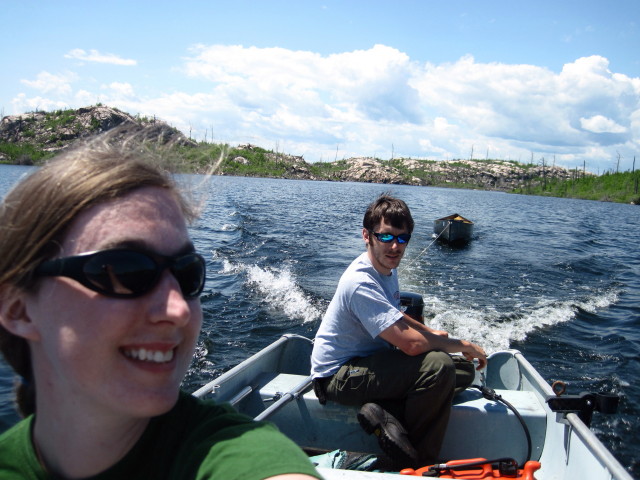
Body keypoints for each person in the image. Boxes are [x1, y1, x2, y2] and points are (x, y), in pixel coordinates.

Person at [0, 128, 320, 480]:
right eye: (123, 270)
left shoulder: (226, 448)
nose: (179, 310)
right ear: (18, 309)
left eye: (188, 275)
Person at [310, 194, 487, 469]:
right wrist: (461, 343)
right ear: (367, 236)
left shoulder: (386, 269)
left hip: (368, 365)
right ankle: (418, 461)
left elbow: (397, 316)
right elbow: (412, 346)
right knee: (439, 367)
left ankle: (387, 414)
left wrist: (435, 334)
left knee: (462, 369)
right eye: (386, 237)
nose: (395, 247)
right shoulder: (360, 281)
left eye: (402, 239)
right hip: (338, 376)